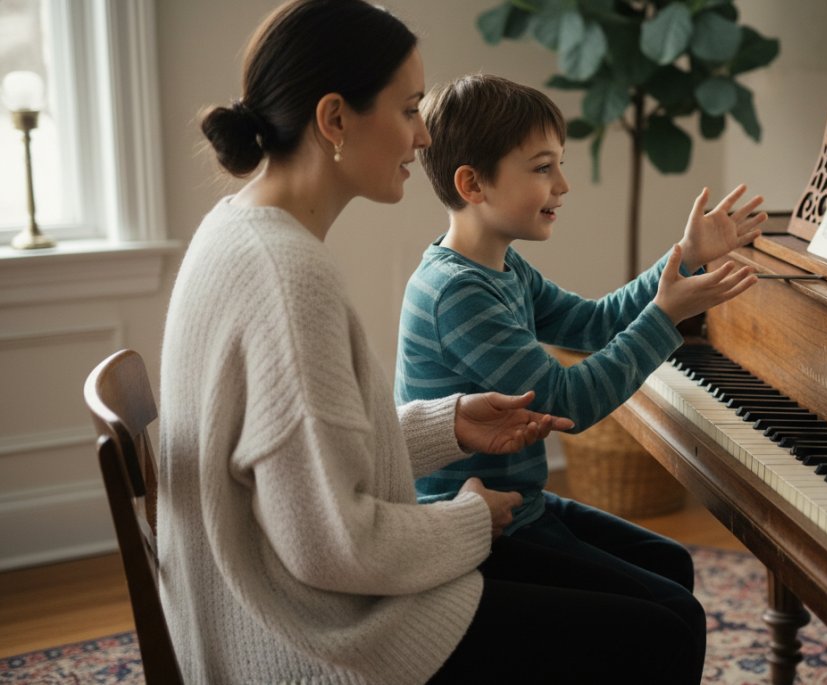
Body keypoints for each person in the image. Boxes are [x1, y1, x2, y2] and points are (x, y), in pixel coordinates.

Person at [159, 2, 708, 683]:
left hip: (307, 599)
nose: (424, 139)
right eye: (410, 109)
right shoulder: (289, 279)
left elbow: (306, 458)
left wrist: (443, 423)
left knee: (663, 595)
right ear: (334, 120)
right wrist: (470, 519)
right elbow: (332, 544)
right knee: (661, 631)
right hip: (324, 632)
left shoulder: (237, 231)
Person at [395, 73, 766, 683]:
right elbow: (569, 403)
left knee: (668, 562)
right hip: (480, 523)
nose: (562, 185)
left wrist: (686, 255)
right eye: (543, 168)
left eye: (559, 165)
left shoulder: (500, 267)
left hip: (525, 505)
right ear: (472, 183)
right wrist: (668, 314)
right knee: (676, 617)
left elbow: (594, 324)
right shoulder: (455, 293)